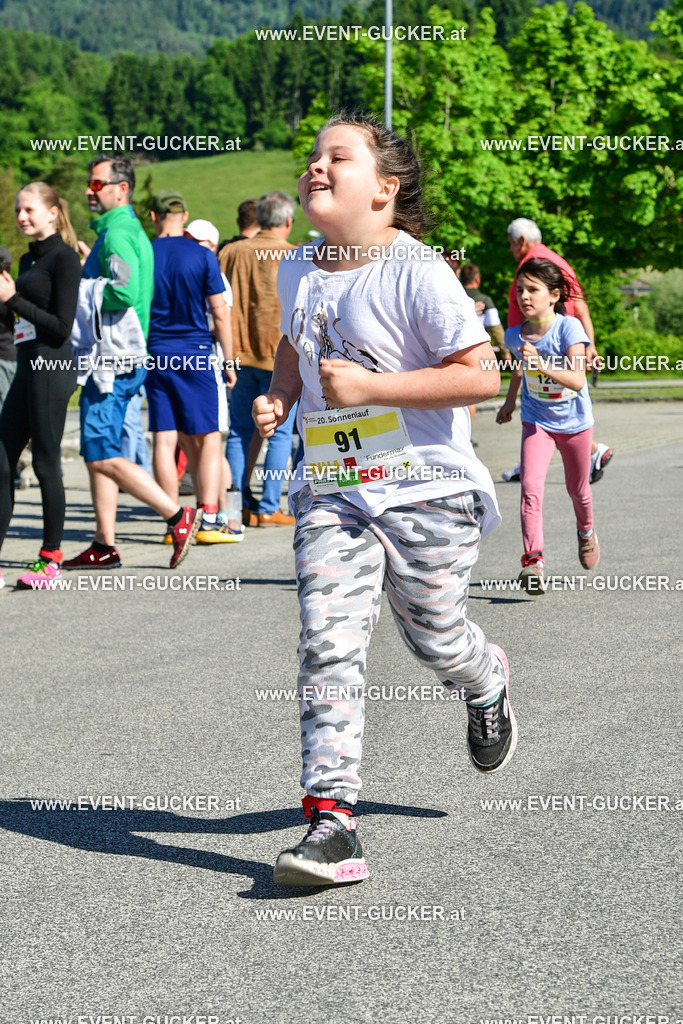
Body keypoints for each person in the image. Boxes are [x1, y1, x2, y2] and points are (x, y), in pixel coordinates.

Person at [252, 112, 516, 886]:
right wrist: (279, 394)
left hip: (427, 486)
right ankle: (331, 821)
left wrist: (372, 387)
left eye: (337, 157)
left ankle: (484, 679)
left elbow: (480, 375)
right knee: (326, 640)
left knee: (435, 636)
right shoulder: (296, 268)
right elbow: (296, 341)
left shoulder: (416, 270)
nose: (315, 167)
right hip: (333, 486)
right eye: (311, 157)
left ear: (383, 189)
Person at [63, 156, 200, 571]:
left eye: (96, 183)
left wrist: (76, 292)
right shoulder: (124, 230)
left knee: (99, 452)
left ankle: (177, 515)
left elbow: (122, 291)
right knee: (100, 449)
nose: (89, 190)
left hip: (113, 358)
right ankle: (104, 544)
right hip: (121, 355)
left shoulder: (119, 233)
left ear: (121, 188)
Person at [496, 258, 600, 593]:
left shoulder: (569, 329)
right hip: (536, 420)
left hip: (574, 423)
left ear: (554, 295)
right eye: (520, 290)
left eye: (533, 289)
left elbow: (577, 380)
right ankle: (533, 562)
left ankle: (586, 532)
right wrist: (510, 402)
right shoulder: (514, 335)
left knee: (578, 490)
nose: (524, 296)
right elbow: (518, 369)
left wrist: (541, 364)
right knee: (530, 488)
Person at [0, 184, 81, 590]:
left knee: (46, 462)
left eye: (29, 209)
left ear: (52, 212)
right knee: (2, 459)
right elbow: (19, 318)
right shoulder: (28, 259)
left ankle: (50, 559)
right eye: (18, 210)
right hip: (26, 363)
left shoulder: (64, 258)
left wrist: (13, 298)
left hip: (52, 364)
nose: (21, 216)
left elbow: (61, 328)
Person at [145, 193, 238, 545]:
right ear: (184, 215)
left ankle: (174, 522)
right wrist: (229, 361)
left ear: (153, 216)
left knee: (164, 438)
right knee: (209, 436)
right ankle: (209, 517)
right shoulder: (202, 255)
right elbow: (220, 313)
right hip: (196, 352)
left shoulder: (145, 253)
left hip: (156, 351)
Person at [503, 218, 612, 484]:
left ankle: (581, 454)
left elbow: (530, 313)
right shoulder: (558, 261)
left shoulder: (531, 266)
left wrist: (517, 347)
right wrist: (590, 344)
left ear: (521, 241)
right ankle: (585, 453)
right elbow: (581, 304)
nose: (510, 250)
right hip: (564, 343)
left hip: (545, 343)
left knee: (550, 407)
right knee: (555, 408)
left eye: (511, 244)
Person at [221, 191, 298, 527]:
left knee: (239, 431)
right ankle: (268, 506)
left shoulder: (231, 252)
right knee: (280, 433)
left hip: (238, 354)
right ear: (288, 221)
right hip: (279, 357)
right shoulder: (296, 255)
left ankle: (234, 506)